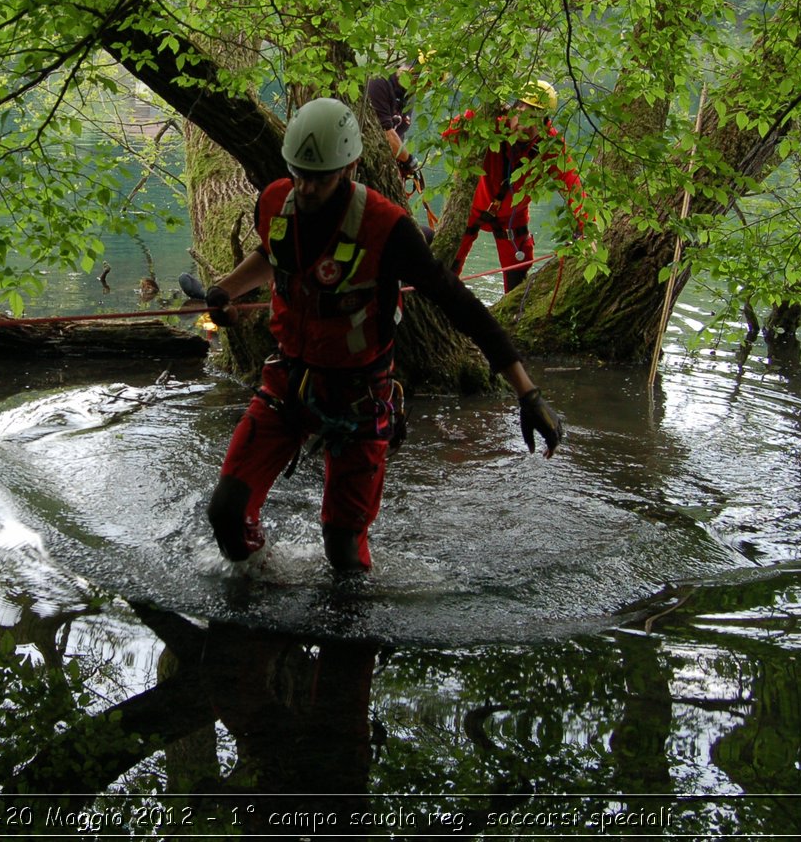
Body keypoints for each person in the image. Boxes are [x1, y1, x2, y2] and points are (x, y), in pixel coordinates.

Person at [202, 97, 565, 572]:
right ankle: (258, 593)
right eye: (300, 174)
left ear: (350, 166)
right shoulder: (275, 202)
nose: (307, 188)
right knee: (226, 513)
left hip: (360, 397)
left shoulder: (387, 227)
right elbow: (274, 256)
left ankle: (352, 632)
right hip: (289, 383)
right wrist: (225, 292)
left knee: (343, 551)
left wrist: (527, 393)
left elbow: (461, 306)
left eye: (321, 177)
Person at [447, 79, 587, 292]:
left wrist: (588, 229)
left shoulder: (550, 144)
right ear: (515, 108)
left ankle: (510, 318)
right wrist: (475, 116)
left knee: (518, 280)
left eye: (536, 122)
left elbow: (573, 187)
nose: (527, 128)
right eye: (524, 116)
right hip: (472, 206)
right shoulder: (490, 123)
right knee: (449, 263)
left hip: (513, 217)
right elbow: (449, 134)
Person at [364, 59, 424, 190]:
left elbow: (399, 133)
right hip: (366, 160)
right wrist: (408, 160)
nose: (425, 87)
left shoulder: (409, 95)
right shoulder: (379, 82)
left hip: (390, 162)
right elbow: (385, 134)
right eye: (426, 81)